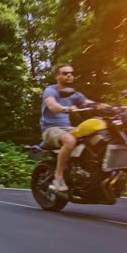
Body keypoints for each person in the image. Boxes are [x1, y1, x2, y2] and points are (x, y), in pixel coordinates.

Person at [40, 64, 95, 192]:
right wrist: (66, 108)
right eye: (65, 73)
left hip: (68, 128)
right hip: (50, 128)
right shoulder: (50, 90)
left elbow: (90, 103)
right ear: (57, 76)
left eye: (71, 73)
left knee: (95, 135)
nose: (69, 75)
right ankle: (58, 178)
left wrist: (114, 108)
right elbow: (52, 105)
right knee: (70, 140)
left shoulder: (74, 94)